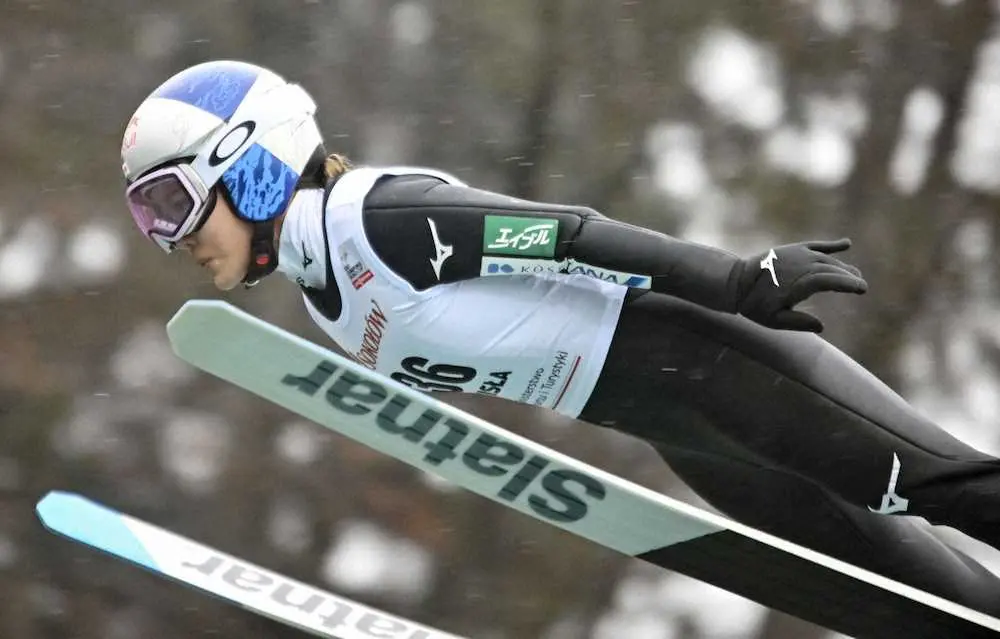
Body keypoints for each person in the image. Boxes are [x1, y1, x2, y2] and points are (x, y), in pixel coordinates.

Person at [121, 59, 1000, 615]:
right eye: (147, 216)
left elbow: (564, 232)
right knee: (918, 603)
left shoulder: (377, 221)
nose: (171, 236)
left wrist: (739, 279)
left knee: (953, 490)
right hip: (679, 430)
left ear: (249, 159)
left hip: (722, 366)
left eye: (170, 202)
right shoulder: (325, 297)